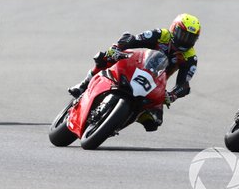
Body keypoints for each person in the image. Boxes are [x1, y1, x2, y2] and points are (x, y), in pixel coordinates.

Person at [68, 13, 201, 132]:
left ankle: (119, 121)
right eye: (183, 35)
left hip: (155, 82)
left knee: (154, 122)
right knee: (106, 57)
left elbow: (184, 84)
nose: (185, 40)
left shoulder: (190, 57)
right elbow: (134, 39)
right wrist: (117, 48)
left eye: (190, 38)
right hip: (138, 65)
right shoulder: (161, 34)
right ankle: (83, 84)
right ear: (174, 29)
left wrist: (172, 95)